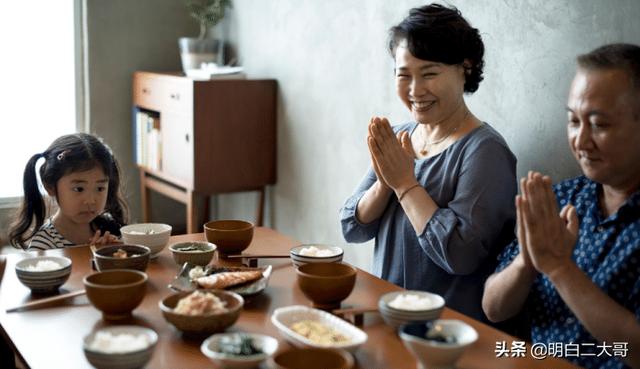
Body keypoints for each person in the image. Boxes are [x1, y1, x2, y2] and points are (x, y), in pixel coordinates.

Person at [340, 4, 517, 322]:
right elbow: (351, 227)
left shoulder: (485, 151)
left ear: (465, 67)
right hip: (386, 316)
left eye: (430, 73)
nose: (415, 90)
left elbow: (461, 254)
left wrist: (405, 185)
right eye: (403, 75)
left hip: (447, 334)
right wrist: (385, 183)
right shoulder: (398, 135)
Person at [482, 43, 640, 369]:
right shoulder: (562, 198)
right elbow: (493, 307)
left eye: (599, 124)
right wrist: (528, 260)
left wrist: (558, 267)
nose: (580, 142)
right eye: (573, 121)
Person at [9, 133, 129, 250]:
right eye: (79, 189)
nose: (90, 200)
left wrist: (113, 254)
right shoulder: (43, 246)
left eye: (100, 188)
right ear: (50, 186)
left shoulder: (110, 228)